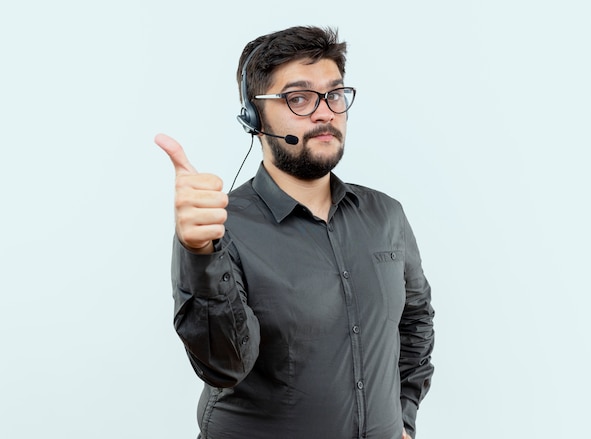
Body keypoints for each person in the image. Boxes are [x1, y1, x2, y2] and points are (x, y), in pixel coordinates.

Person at [155, 25, 434, 439]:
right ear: (253, 115)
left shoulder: (385, 215)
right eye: (298, 98)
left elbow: (414, 325)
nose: (324, 113)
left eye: (334, 95)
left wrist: (402, 420)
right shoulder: (218, 228)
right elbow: (223, 364)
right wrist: (200, 251)